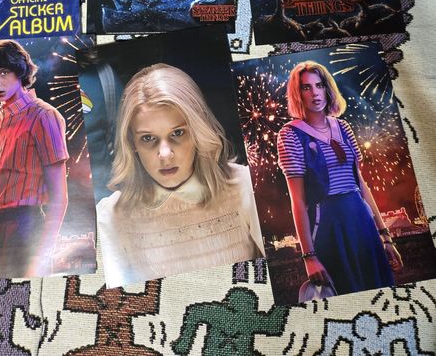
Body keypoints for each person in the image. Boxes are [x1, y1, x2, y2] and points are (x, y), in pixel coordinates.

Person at [96, 63, 264, 288]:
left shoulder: (247, 186)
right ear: (132, 143)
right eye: (148, 138)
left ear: (197, 131)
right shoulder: (110, 217)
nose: (165, 154)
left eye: (177, 133)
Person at [277, 61, 402, 298]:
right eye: (306, 87)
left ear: (328, 88)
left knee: (382, 290)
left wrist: (385, 236)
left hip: (361, 219)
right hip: (327, 225)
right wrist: (309, 257)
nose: (315, 93)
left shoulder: (344, 127)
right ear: (297, 94)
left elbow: (361, 184)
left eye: (319, 85)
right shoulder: (290, 135)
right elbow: (298, 202)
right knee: (347, 293)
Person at [0, 39, 69, 280]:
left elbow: (59, 198)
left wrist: (41, 259)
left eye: (3, 73)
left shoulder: (45, 116)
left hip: (25, 229)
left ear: (19, 71)